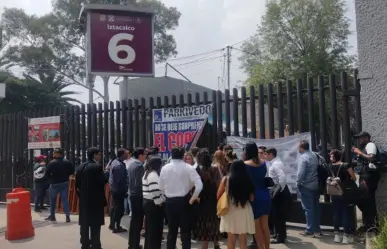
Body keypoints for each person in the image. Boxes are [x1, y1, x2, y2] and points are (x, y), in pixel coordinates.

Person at [159, 147, 203, 249]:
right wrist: (192, 199)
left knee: (172, 230)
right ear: (182, 155)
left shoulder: (164, 168)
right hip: (184, 201)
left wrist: (167, 194)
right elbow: (199, 185)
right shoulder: (188, 168)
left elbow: (161, 187)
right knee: (185, 231)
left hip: (170, 201)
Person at [217, 160, 255, 249]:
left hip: (230, 210)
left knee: (231, 239)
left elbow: (218, 195)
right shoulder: (248, 179)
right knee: (243, 238)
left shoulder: (226, 179)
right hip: (244, 209)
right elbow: (252, 198)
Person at [76, 147, 107, 249]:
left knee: (84, 223)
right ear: (94, 155)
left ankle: (85, 243)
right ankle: (95, 244)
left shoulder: (81, 166)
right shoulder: (96, 167)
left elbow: (77, 186)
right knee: (95, 224)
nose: (100, 156)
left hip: (84, 200)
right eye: (99, 154)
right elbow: (103, 181)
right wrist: (106, 173)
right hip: (95, 200)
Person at [192, 149, 221, 249]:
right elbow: (219, 184)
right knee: (214, 222)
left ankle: (204, 246)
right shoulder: (215, 168)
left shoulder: (197, 170)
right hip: (213, 200)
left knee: (204, 225)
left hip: (202, 200)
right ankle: (216, 244)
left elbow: (193, 186)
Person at [244, 142, 271, 249]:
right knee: (265, 226)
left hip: (253, 196)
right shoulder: (264, 163)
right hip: (264, 194)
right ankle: (267, 247)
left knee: (256, 228)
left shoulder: (245, 164)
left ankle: (261, 247)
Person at [352, 131, 380, 231]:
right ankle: (369, 225)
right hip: (365, 177)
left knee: (366, 200)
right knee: (365, 200)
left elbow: (371, 158)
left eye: (361, 138)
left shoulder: (370, 145)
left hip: (369, 178)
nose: (360, 140)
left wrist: (358, 152)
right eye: (359, 138)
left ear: (367, 138)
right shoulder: (365, 147)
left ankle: (372, 226)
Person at [328, 149, 356, 244]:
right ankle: (345, 236)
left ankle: (336, 235)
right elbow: (354, 178)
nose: (330, 157)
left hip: (335, 192)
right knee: (345, 213)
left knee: (336, 213)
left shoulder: (330, 166)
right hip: (345, 192)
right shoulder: (346, 165)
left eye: (331, 156)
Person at [265, 148, 292, 244]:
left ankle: (280, 237)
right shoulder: (276, 162)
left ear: (271, 154)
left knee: (278, 215)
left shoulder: (276, 164)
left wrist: (277, 190)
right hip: (279, 191)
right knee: (277, 215)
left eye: (266, 154)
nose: (265, 156)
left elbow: (282, 178)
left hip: (279, 192)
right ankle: (279, 234)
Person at [296, 140, 322, 236]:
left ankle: (309, 229)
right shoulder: (314, 155)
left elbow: (301, 173)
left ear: (302, 148)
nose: (298, 149)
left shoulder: (303, 158)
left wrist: (298, 183)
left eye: (299, 147)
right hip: (315, 184)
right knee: (316, 208)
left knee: (308, 209)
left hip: (306, 185)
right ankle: (317, 229)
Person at [45, 148, 74, 222]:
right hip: (64, 183)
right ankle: (67, 216)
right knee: (64, 200)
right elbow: (71, 172)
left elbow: (47, 173)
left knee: (53, 201)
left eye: (55, 153)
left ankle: (52, 216)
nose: (53, 154)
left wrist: (51, 179)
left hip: (54, 184)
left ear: (59, 154)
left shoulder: (52, 163)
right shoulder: (67, 162)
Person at [142, 155, 165, 249]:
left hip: (148, 203)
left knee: (150, 230)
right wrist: (160, 202)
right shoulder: (153, 175)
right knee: (155, 230)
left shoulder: (147, 173)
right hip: (154, 204)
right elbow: (155, 191)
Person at [127, 147, 147, 249]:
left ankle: (131, 243)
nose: (145, 156)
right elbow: (140, 183)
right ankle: (135, 244)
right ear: (140, 155)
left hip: (132, 195)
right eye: (144, 154)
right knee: (138, 222)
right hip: (138, 196)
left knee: (134, 221)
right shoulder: (140, 166)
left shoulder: (131, 165)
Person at [108, 148, 129, 233]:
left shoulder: (115, 162)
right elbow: (120, 181)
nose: (127, 155)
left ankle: (112, 224)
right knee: (118, 209)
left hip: (115, 189)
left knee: (114, 208)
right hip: (118, 190)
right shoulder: (119, 166)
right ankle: (116, 226)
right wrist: (125, 191)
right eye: (125, 154)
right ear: (122, 155)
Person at [125, 148, 135, 216]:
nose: (126, 155)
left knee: (129, 196)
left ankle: (131, 210)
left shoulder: (133, 161)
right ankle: (125, 210)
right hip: (124, 180)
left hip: (130, 180)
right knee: (125, 196)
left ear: (130, 153)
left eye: (127, 153)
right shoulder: (123, 160)